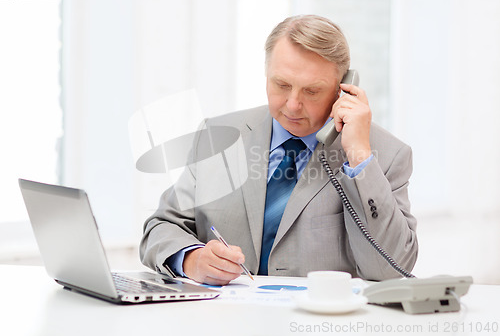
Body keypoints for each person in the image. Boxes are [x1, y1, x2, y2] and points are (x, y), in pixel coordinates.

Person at [140, 15, 418, 285]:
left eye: (312, 91)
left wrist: (358, 157)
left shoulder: (386, 155)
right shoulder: (217, 137)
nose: (293, 104)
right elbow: (161, 226)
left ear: (342, 90)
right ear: (266, 74)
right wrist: (192, 260)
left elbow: (392, 268)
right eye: (282, 85)